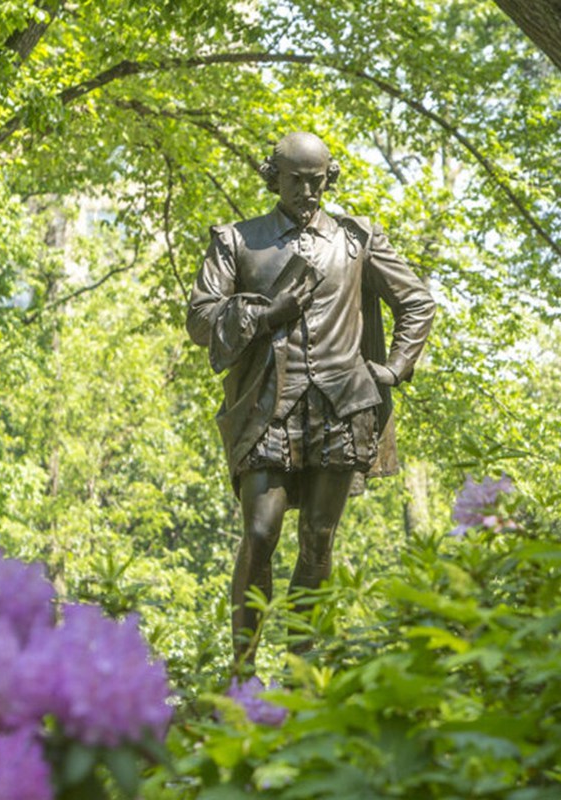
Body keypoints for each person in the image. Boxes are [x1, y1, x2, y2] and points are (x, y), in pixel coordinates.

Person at [186, 131, 435, 666]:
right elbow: (202, 320)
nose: (307, 191)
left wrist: (392, 368)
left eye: (316, 181)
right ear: (272, 177)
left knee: (319, 538)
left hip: (342, 408)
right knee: (259, 531)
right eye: (295, 180)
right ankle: (243, 667)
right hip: (265, 409)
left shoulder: (358, 238)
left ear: (329, 178)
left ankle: (304, 665)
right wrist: (265, 314)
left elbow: (416, 302)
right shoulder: (238, 240)